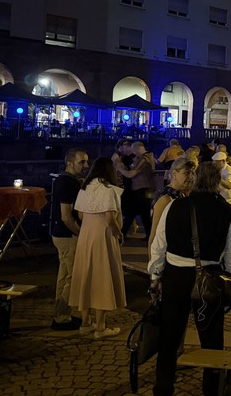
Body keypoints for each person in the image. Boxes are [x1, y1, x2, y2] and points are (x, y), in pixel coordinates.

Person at [148, 162, 231, 396]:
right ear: (217, 182)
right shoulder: (226, 210)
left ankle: (163, 394)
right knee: (212, 340)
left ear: (196, 180)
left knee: (169, 338)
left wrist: (155, 276)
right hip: (209, 277)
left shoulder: (176, 205)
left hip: (176, 276)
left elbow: (159, 244)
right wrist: (229, 277)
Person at [69, 157, 126, 339]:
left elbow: (80, 214)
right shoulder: (108, 190)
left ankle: (85, 323)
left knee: (86, 277)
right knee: (102, 278)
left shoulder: (85, 188)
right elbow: (110, 218)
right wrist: (119, 233)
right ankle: (100, 326)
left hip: (86, 236)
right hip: (102, 236)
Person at [50, 148, 89, 330]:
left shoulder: (63, 180)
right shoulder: (68, 183)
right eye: (82, 162)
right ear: (70, 163)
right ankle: (62, 317)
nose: (86, 165)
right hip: (68, 235)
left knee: (64, 275)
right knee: (72, 278)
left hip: (60, 234)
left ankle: (60, 314)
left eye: (87, 161)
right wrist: (80, 233)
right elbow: (66, 216)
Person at [147, 157, 195, 250]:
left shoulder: (181, 194)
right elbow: (154, 235)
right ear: (174, 174)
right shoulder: (165, 198)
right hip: (167, 251)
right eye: (187, 173)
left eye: (193, 173)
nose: (191, 177)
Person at [116, 141, 156, 241]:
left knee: (139, 214)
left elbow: (131, 174)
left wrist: (120, 169)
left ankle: (124, 234)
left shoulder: (144, 159)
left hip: (141, 190)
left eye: (133, 151)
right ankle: (146, 235)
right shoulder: (148, 157)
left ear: (137, 149)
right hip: (143, 190)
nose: (133, 153)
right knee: (138, 214)